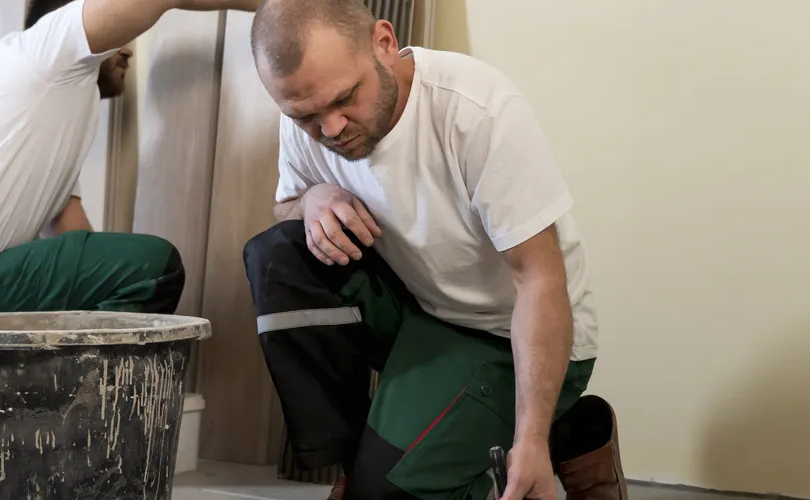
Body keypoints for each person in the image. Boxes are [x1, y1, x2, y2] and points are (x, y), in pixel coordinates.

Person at [243, 0, 627, 499]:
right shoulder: (310, 112)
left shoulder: (478, 112)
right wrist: (313, 198)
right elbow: (285, 208)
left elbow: (539, 279)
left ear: (384, 43)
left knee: (390, 493)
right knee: (279, 254)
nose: (330, 129)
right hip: (424, 316)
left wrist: (529, 442)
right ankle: (356, 467)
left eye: (345, 99)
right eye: (307, 116)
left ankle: (560, 431)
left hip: (511, 335)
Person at [0, 0, 257, 439]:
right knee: (157, 266)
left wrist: (113, 285)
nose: (128, 51)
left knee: (136, 272)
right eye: (122, 38)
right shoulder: (44, 51)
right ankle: (35, 422)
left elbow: (73, 239)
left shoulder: (61, 104)